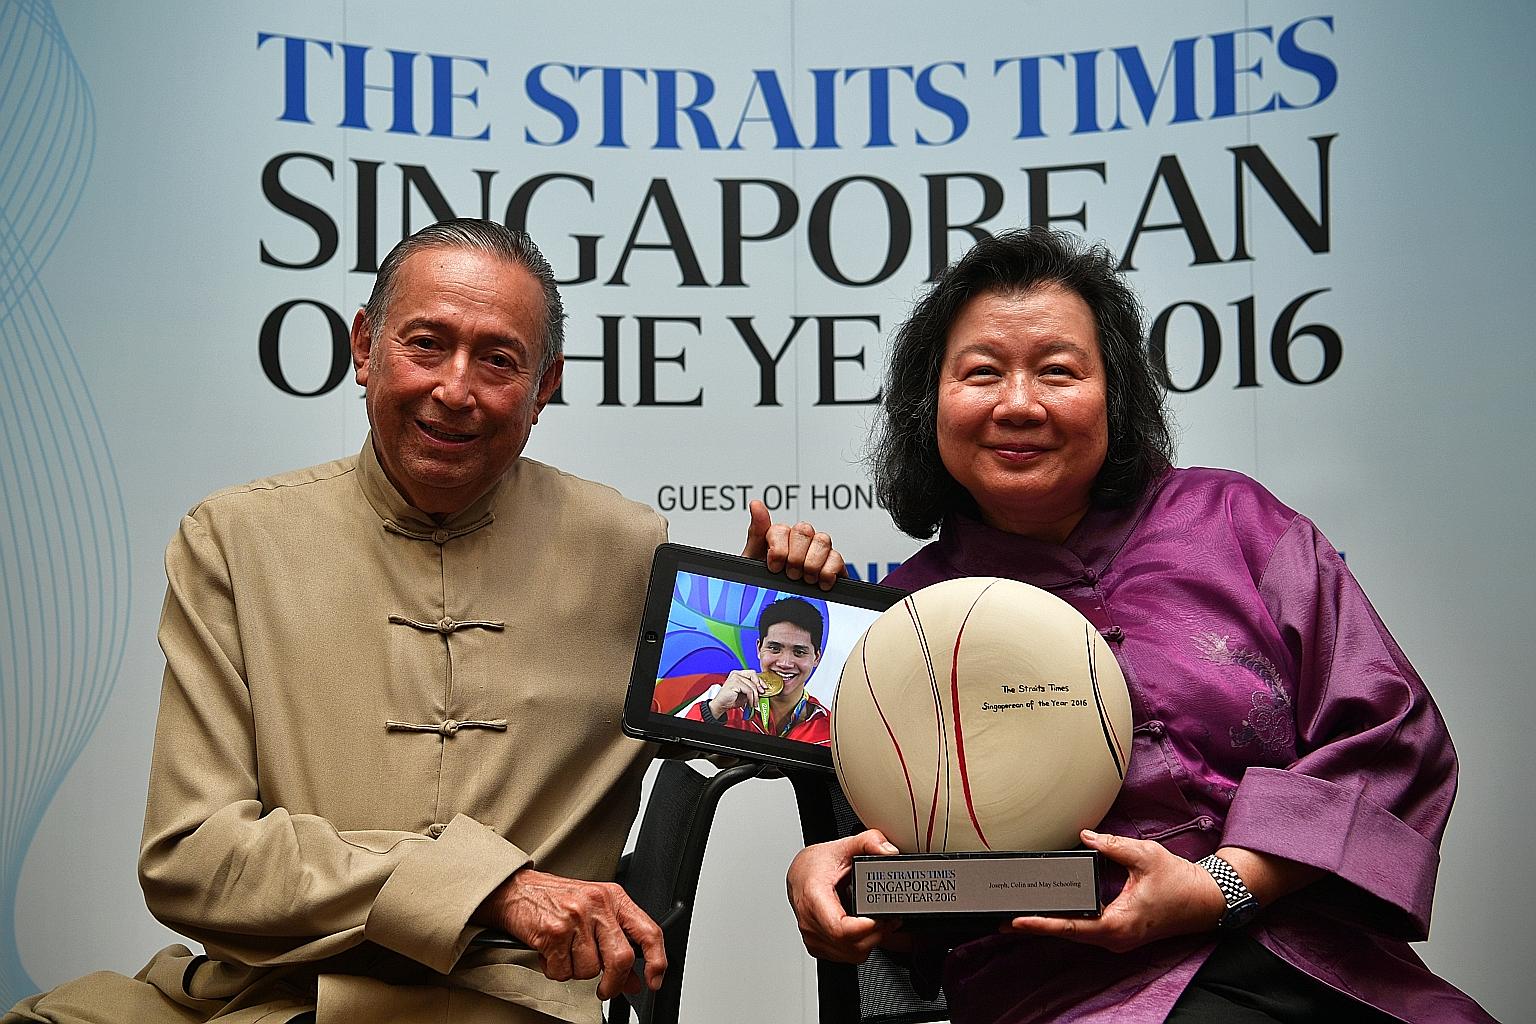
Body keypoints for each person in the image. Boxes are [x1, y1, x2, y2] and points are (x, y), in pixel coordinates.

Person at [5, 219, 842, 1024]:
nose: (455, 389)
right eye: (426, 343)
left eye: (500, 360)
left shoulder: (630, 553)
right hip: (268, 992)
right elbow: (191, 857)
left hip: (504, 999)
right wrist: (493, 888)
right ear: (364, 347)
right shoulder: (234, 541)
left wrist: (790, 598)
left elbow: (762, 725)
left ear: (546, 385)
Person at [785, 228, 1495, 1023]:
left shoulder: (1237, 521)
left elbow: (1393, 736)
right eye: (982, 373)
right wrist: (833, 885)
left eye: (1058, 371)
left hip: (1318, 955)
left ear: (1114, 394)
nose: (1019, 404)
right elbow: (900, 867)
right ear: (930, 405)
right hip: (1067, 989)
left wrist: (1218, 886)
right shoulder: (904, 617)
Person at [681, 597, 831, 744]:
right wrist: (714, 711)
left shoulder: (832, 729)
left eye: (799, 652)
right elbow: (667, 751)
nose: (785, 663)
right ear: (759, 649)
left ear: (816, 657)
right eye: (774, 648)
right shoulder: (717, 697)